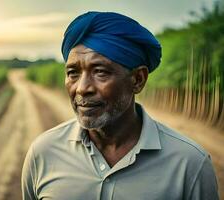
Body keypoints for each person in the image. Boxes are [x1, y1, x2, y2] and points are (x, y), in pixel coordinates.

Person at [22, 11, 219, 200]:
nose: (82, 89)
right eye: (73, 73)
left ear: (137, 80)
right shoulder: (43, 153)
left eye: (100, 72)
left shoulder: (189, 164)